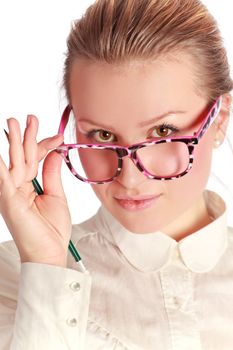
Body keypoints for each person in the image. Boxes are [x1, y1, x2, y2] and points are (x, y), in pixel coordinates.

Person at [0, 0, 232, 349]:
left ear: (220, 118)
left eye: (162, 132)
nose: (130, 179)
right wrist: (45, 266)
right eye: (102, 135)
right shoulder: (15, 272)